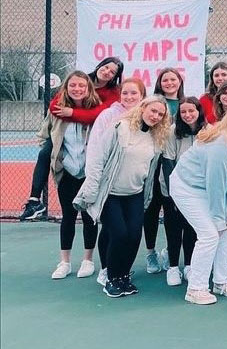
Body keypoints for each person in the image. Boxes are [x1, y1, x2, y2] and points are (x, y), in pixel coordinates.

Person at [73, 96, 171, 297]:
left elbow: (150, 170)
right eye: (153, 111)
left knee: (134, 235)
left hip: (134, 193)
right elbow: (97, 158)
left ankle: (124, 276)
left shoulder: (155, 137)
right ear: (142, 108)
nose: (156, 116)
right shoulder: (120, 127)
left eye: (160, 114)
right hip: (111, 193)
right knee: (118, 234)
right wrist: (91, 189)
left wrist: (148, 194)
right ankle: (112, 278)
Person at [169, 99, 227, 305]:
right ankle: (196, 288)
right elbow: (215, 181)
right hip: (189, 188)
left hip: (218, 191)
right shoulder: (222, 140)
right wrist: (218, 218)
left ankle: (221, 282)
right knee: (210, 234)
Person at [20, 57, 124, 221]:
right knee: (45, 153)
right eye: (106, 67)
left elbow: (99, 115)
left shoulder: (113, 92)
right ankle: (34, 200)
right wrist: (76, 115)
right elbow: (55, 106)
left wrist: (72, 113)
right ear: (99, 66)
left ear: (115, 76)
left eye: (112, 72)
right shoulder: (80, 80)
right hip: (68, 134)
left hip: (92, 136)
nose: (107, 72)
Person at [41, 71, 102, 280]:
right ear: (66, 87)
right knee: (68, 216)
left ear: (88, 88)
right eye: (73, 85)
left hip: (89, 172)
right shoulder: (57, 112)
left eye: (82, 86)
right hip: (67, 171)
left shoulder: (96, 111)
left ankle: (88, 260)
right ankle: (64, 262)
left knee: (89, 217)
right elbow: (44, 136)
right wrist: (59, 159)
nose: (77, 89)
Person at [86, 77, 147, 284]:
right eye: (125, 93)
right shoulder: (108, 116)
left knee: (131, 232)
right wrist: (94, 180)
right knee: (114, 230)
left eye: (134, 93)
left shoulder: (147, 119)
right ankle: (107, 270)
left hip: (133, 187)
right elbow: (95, 149)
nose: (129, 97)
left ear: (142, 96)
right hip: (109, 185)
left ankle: (121, 272)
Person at [159, 97, 206, 286]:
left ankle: (188, 265)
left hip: (196, 189)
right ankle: (172, 268)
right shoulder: (172, 132)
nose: (187, 115)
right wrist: (174, 194)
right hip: (173, 189)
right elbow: (168, 162)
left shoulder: (208, 132)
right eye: (183, 112)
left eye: (191, 111)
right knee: (173, 227)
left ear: (198, 111)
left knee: (191, 228)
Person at [144, 68, 186, 273]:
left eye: (173, 79)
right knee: (151, 210)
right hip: (152, 163)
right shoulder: (153, 103)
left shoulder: (186, 104)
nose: (170, 83)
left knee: (173, 211)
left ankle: (171, 252)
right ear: (160, 83)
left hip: (173, 164)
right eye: (165, 80)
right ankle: (150, 253)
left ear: (180, 81)